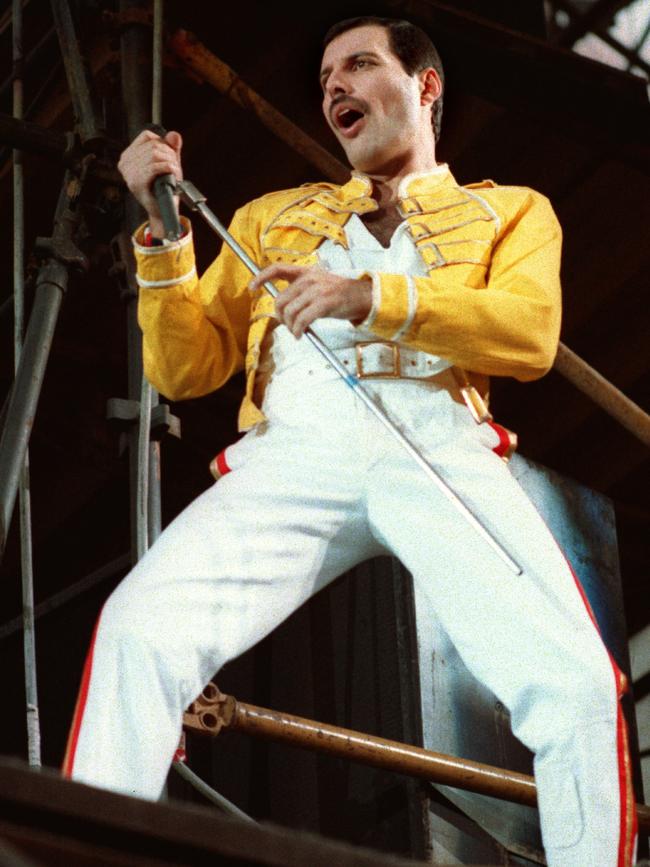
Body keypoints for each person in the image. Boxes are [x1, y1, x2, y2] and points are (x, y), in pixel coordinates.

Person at [62, 16, 637, 867]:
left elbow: (529, 334)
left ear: (426, 87)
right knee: (138, 631)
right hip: (298, 446)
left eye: (359, 64)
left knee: (578, 685)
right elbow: (185, 369)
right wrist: (165, 232)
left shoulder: (510, 210)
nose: (333, 85)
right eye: (326, 73)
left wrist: (368, 298)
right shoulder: (270, 217)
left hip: (435, 442)